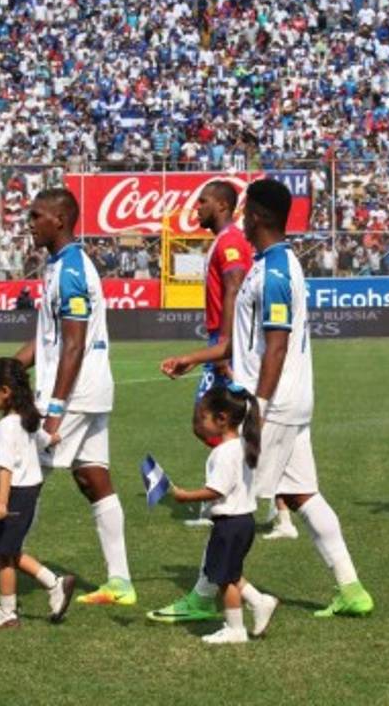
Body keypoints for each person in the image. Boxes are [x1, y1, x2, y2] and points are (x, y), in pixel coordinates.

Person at [0, 189, 134, 607]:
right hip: (87, 392)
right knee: (93, 479)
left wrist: (53, 411)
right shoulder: (56, 266)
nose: (29, 223)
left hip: (73, 395)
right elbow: (46, 341)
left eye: (36, 216)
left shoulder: (72, 270)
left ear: (60, 219)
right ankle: (121, 582)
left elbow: (73, 344)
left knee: (20, 474)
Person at [227, 179, 372, 616]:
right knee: (305, 494)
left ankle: (216, 597)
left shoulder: (274, 271)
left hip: (273, 404)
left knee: (232, 499)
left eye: (244, 211)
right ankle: (352, 589)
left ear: (257, 216)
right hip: (288, 399)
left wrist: (258, 408)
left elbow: (276, 346)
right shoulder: (273, 263)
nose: (240, 219)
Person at [149, 180, 263, 624]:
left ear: (222, 205)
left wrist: (225, 349)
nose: (195, 207)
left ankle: (230, 492)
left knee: (213, 421)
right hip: (221, 343)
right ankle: (231, 488)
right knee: (207, 423)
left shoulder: (231, 241)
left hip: (225, 345)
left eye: (202, 202)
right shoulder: (222, 241)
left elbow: (234, 286)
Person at [168, 383, 279, 644]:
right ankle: (259, 602)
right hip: (243, 522)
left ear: (221, 419)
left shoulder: (223, 453)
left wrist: (185, 496)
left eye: (203, 417)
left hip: (230, 523)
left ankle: (235, 629)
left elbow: (216, 490)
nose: (200, 424)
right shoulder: (242, 445)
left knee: (225, 579)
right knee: (226, 570)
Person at [0, 358, 76, 629]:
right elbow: (43, 439)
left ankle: (9, 610)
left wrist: (1, 503)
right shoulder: (25, 419)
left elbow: (5, 467)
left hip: (13, 493)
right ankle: (52, 585)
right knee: (9, 551)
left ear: (5, 391)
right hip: (27, 492)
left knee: (4, 553)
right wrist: (54, 439)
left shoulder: (7, 426)